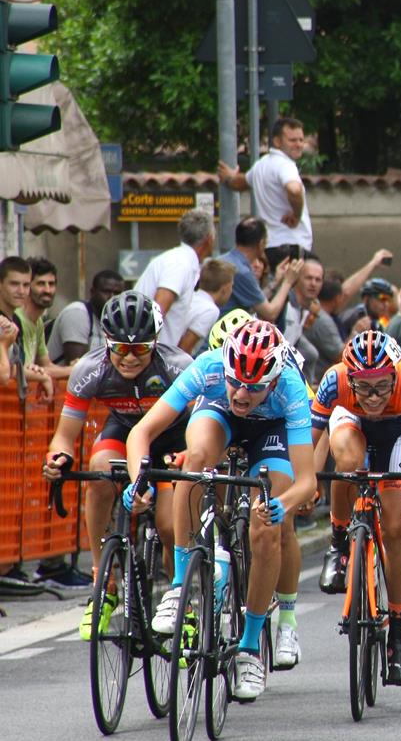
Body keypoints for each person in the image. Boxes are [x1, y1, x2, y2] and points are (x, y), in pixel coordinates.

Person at [127, 320, 317, 699]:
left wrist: (282, 505)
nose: (243, 393)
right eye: (236, 380)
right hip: (217, 416)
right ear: (225, 369)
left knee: (265, 528)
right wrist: (137, 480)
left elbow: (307, 482)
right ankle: (181, 586)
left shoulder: (292, 389)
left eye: (255, 386)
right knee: (195, 459)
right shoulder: (210, 367)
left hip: (273, 429)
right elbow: (141, 433)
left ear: (275, 381)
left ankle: (248, 648)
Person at [41, 291, 192, 636]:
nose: (128, 357)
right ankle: (103, 581)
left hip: (175, 439)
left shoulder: (178, 366)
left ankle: (183, 597)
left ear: (154, 343)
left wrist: (185, 458)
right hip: (123, 432)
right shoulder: (90, 368)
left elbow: (202, 425)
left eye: (139, 349)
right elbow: (64, 437)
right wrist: (57, 457)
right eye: (120, 348)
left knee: (170, 526)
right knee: (99, 473)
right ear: (106, 341)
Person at [313, 330, 401, 684]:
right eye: (363, 386)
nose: (373, 397)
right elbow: (309, 445)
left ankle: (399, 635)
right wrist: (308, 482)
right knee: (347, 459)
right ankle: (339, 544)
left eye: (381, 386)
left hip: (399, 432)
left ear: (395, 376)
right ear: (349, 379)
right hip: (350, 425)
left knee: (394, 525)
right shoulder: (333, 381)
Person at [218, 117, 313, 267]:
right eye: (293, 140)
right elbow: (294, 190)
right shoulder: (286, 165)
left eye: (301, 140)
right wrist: (296, 215)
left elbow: (241, 182)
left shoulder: (262, 165)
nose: (299, 144)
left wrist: (230, 178)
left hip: (269, 249)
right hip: (292, 248)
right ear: (277, 142)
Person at [133, 209, 215, 346]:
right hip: (148, 356)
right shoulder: (180, 264)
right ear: (209, 239)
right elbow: (157, 311)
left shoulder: (180, 260)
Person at [218, 217, 301, 321]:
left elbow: (255, 301)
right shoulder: (242, 272)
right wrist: (288, 282)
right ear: (261, 244)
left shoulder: (222, 260)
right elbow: (270, 313)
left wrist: (276, 281)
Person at [0, 256, 54, 398]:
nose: (21, 291)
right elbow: (3, 375)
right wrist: (4, 344)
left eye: (26, 285)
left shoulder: (16, 320)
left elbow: (14, 369)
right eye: (14, 284)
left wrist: (41, 376)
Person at [47, 270, 124, 364]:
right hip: (63, 377)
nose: (112, 298)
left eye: (117, 293)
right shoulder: (77, 313)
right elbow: (78, 366)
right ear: (92, 292)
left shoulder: (117, 320)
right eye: (106, 292)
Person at [15, 256, 71, 381]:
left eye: (51, 284)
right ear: (27, 286)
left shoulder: (38, 322)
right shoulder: (14, 319)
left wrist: (78, 368)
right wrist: (75, 369)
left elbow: (46, 366)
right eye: (41, 284)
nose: (47, 290)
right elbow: (19, 371)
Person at [179, 258, 235, 354]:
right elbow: (184, 349)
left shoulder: (192, 297)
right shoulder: (210, 310)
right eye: (231, 286)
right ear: (225, 289)